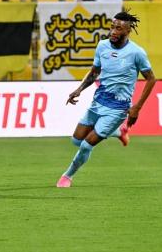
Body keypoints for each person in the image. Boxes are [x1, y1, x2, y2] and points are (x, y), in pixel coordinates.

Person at [57, 10, 156, 188]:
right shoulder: (102, 46)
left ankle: (67, 176)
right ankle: (119, 132)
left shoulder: (136, 53)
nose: (113, 31)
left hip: (119, 108)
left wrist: (137, 107)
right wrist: (79, 89)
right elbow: (95, 72)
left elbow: (151, 78)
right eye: (112, 27)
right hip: (98, 101)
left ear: (128, 31)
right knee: (76, 140)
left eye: (118, 28)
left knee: (86, 146)